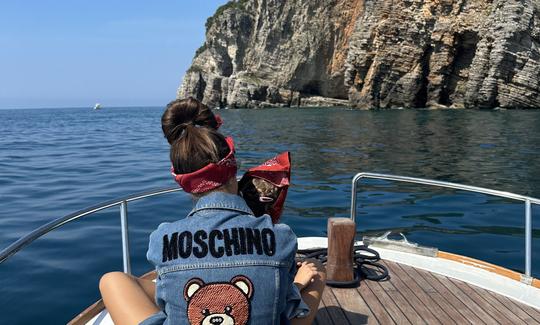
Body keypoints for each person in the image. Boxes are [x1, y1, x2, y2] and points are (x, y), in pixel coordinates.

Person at [99, 98, 326, 325]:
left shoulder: (162, 239)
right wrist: (297, 284)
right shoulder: (280, 235)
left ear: (182, 181)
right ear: (233, 168)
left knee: (112, 280)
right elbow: (282, 302)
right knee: (316, 272)